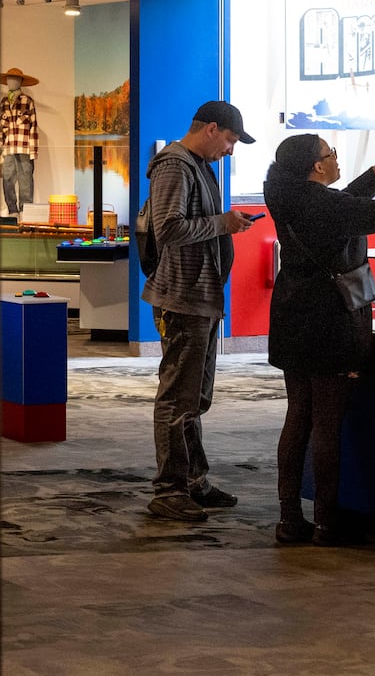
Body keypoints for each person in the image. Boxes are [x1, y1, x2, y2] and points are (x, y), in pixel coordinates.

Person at [262, 134, 375, 546]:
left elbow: (338, 206)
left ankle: (290, 519)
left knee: (298, 416)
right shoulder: (321, 204)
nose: (335, 158)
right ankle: (328, 522)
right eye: (330, 155)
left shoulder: (288, 196)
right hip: (332, 319)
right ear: (316, 167)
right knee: (328, 424)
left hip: (294, 316)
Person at [142, 100, 259, 522]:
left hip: (201, 298)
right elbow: (168, 228)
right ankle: (169, 489)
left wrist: (225, 223)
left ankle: (193, 481)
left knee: (195, 396)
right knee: (178, 397)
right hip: (184, 298)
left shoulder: (197, 165)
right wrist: (223, 224)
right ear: (211, 129)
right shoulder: (175, 165)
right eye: (229, 139)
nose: (230, 150)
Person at [0, 67, 39, 217]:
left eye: (15, 79)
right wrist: (0, 150)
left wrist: (33, 151)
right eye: (9, 79)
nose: (11, 82)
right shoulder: (3, 103)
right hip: (8, 148)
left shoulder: (27, 101)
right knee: (7, 179)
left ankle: (25, 211)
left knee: (26, 180)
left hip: (24, 147)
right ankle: (13, 211)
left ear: (21, 82)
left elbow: (33, 127)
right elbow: (0, 128)